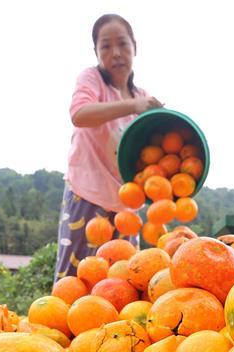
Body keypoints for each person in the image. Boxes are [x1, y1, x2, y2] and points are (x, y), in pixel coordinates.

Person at [55, 13, 163, 280]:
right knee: (76, 280)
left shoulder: (144, 99)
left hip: (127, 206)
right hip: (88, 196)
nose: (116, 53)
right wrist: (132, 106)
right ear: (96, 52)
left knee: (125, 282)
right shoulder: (93, 80)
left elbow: (156, 156)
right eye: (106, 46)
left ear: (134, 46)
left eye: (122, 44)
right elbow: (80, 114)